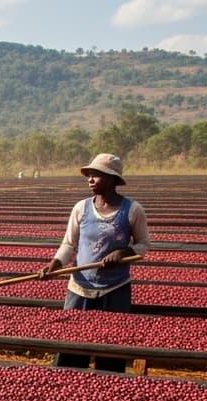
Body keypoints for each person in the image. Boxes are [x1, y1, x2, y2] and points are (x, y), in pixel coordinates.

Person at [37, 152, 149, 373]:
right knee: (71, 346)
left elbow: (144, 245)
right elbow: (69, 244)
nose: (90, 180)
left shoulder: (133, 210)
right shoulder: (81, 208)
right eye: (89, 175)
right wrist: (55, 264)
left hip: (115, 288)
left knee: (110, 348)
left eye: (96, 175)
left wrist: (124, 251)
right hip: (80, 288)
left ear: (112, 179)